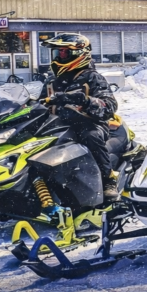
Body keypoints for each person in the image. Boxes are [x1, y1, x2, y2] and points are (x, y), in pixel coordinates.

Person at [40, 34, 120, 204]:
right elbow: (39, 103)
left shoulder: (92, 77)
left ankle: (108, 181)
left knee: (90, 136)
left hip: (89, 123)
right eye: (58, 52)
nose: (60, 55)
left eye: (65, 52)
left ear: (79, 53)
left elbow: (109, 105)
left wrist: (85, 100)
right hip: (56, 125)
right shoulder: (52, 80)